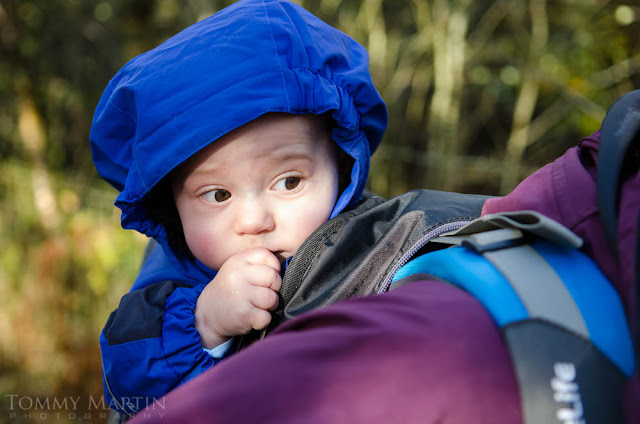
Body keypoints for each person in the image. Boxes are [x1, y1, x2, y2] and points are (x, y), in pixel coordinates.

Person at [90, 0, 392, 416]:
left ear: (343, 167)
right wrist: (204, 323)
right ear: (171, 205)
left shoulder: (381, 241)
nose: (253, 222)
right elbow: (128, 387)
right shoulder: (170, 286)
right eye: (217, 195)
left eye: (288, 182)